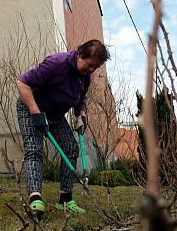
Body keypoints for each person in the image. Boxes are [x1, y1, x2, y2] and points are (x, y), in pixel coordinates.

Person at [16, 39, 109, 215]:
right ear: (80, 55)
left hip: (56, 115)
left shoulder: (85, 77)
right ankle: (35, 198)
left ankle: (65, 199)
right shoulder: (56, 63)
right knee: (34, 150)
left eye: (95, 68)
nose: (91, 70)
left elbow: (81, 98)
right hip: (31, 108)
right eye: (89, 65)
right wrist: (36, 112)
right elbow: (22, 83)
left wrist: (81, 114)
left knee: (71, 148)